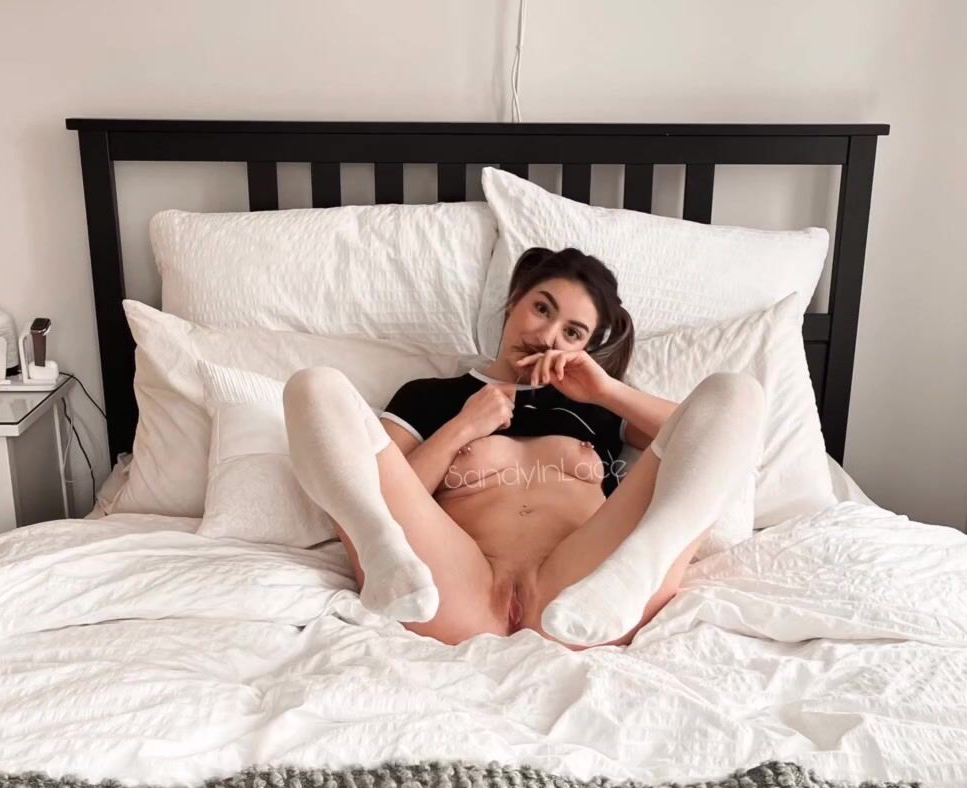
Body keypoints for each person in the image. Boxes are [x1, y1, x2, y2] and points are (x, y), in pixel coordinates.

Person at [282, 247, 765, 649]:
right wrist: (462, 428)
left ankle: (638, 568)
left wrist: (606, 392)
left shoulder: (599, 406)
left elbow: (709, 432)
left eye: (572, 332)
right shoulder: (430, 397)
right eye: (542, 308)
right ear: (514, 302)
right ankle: (380, 550)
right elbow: (373, 483)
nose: (548, 335)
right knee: (314, 385)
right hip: (447, 589)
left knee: (736, 392)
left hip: (585, 591)